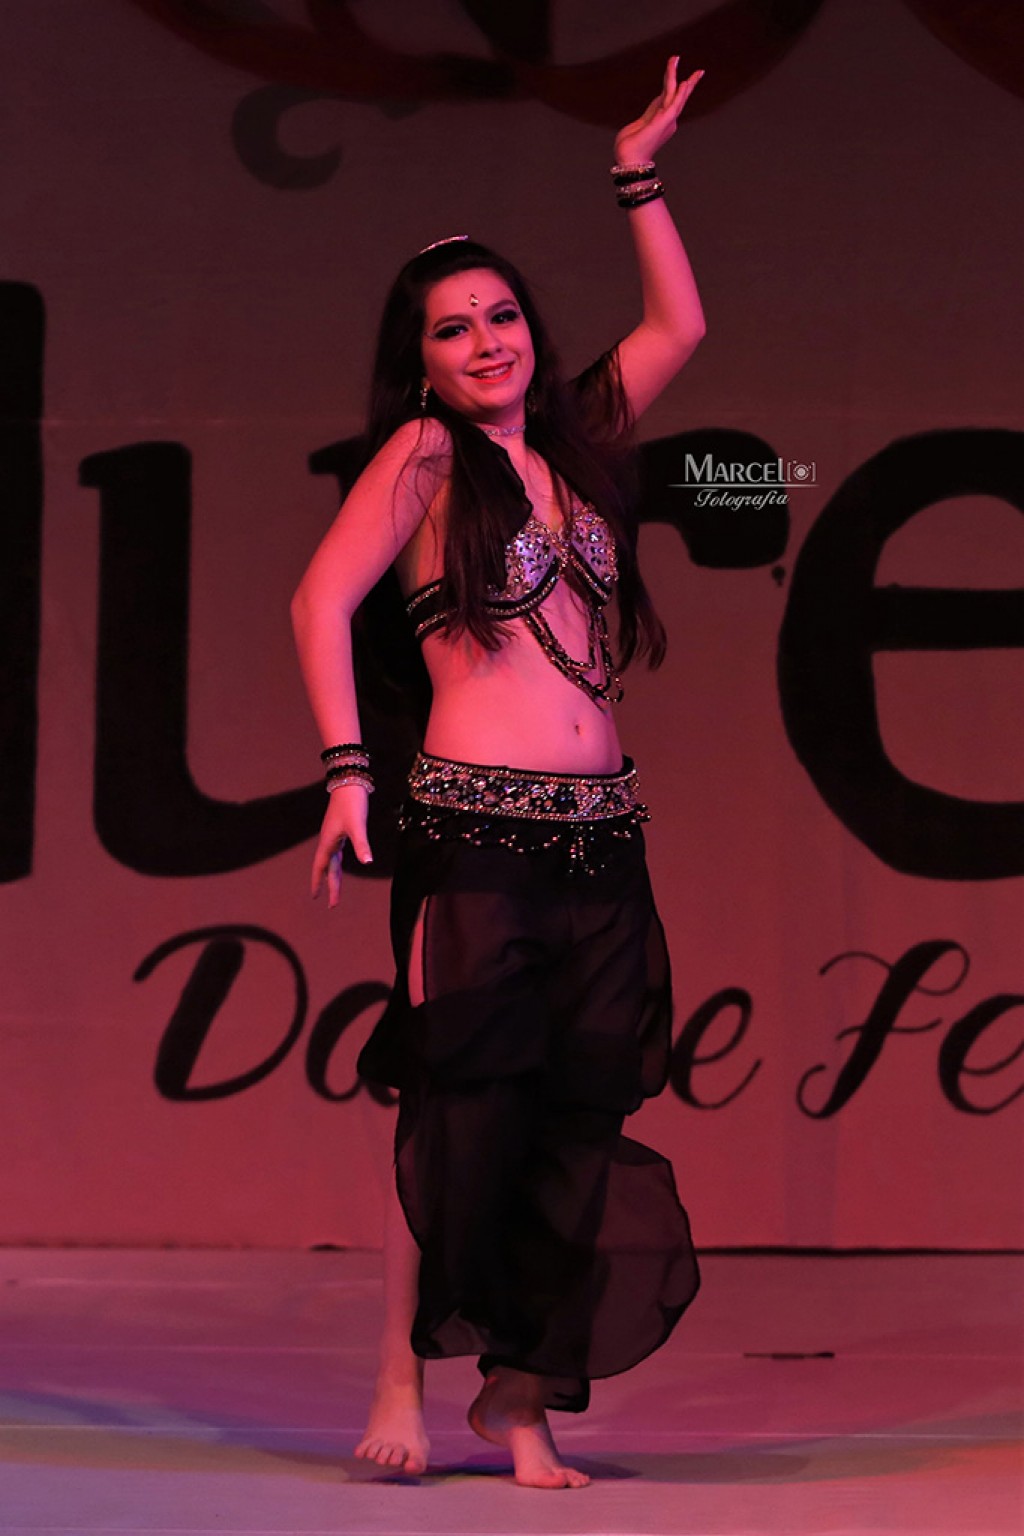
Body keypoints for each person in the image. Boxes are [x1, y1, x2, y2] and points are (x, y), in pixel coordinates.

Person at [291, 57, 706, 1490]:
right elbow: (318, 599)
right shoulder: (425, 457)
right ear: (423, 360)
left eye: (504, 315)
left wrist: (635, 172)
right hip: (472, 835)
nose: (488, 341)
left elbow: (680, 324)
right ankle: (400, 1374)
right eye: (455, 328)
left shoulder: (581, 447)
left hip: (601, 834)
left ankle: (518, 1399)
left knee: (573, 1122)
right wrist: (349, 772)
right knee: (455, 1108)